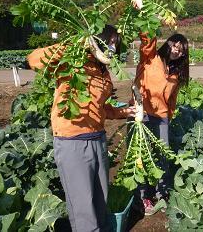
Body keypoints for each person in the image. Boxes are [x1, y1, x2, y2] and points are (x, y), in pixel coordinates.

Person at [27, 25, 136, 232]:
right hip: (72, 141)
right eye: (109, 41)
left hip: (98, 139)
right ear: (97, 39)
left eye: (115, 43)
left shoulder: (103, 71)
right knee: (83, 207)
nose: (112, 46)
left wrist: (125, 112)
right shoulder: (71, 60)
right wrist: (75, 43)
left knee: (100, 199)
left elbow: (102, 107)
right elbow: (34, 60)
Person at [134, 32, 189, 214]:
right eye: (175, 46)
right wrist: (147, 19)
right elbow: (147, 41)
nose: (176, 52)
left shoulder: (176, 72)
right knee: (141, 156)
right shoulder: (151, 57)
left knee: (162, 154)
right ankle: (143, 196)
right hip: (142, 113)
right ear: (168, 44)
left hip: (162, 117)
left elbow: (172, 99)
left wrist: (168, 116)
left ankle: (161, 192)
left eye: (181, 51)